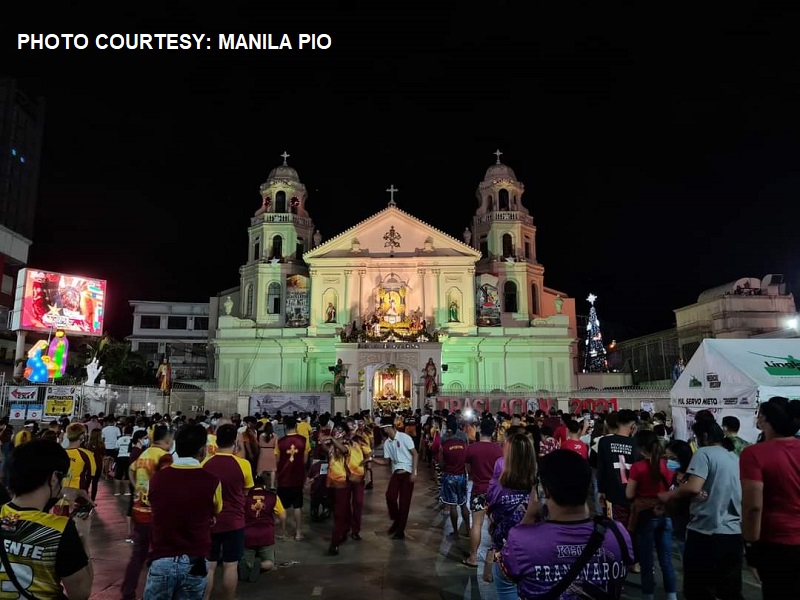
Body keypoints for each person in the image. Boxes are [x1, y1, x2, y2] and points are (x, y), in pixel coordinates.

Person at [499, 450, 634, 599]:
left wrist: (529, 516)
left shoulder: (521, 541)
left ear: (546, 491)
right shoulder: (617, 534)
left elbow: (507, 571)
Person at [659, 418, 742, 599]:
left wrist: (670, 495)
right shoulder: (733, 456)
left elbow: (694, 487)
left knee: (699, 590)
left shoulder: (704, 454)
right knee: (729, 591)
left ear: (703, 436)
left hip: (705, 532)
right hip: (733, 533)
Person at [1, 439, 92, 599]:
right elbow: (80, 593)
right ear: (54, 478)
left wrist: (64, 491)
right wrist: (83, 538)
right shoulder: (60, 530)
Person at [144, 424, 223, 600]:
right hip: (195, 559)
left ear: (176, 448)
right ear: (203, 451)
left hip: (162, 558)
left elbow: (154, 505)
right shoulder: (212, 481)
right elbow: (217, 510)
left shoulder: (157, 479)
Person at [740, 396, 800, 598]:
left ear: (765, 419)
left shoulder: (754, 454)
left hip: (777, 544)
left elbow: (752, 507)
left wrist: (751, 545)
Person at [121, 424, 175, 600]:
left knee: (138, 555)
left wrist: (138, 487)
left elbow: (131, 470)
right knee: (160, 556)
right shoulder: (164, 457)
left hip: (138, 510)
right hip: (156, 513)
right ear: (167, 440)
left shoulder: (144, 454)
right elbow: (167, 482)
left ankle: (127, 592)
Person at [202, 423, 255, 600]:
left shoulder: (205, 464)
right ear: (235, 443)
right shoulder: (243, 465)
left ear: (216, 442)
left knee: (209, 565)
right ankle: (229, 597)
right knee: (230, 565)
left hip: (210, 522)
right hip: (235, 521)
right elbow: (246, 492)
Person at [625, 430, 677, 600]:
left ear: (640, 448)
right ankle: (672, 596)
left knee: (647, 563)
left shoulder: (638, 467)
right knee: (667, 561)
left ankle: (649, 596)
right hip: (665, 513)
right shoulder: (670, 465)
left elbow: (629, 494)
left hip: (645, 516)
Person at [484, 433, 536, 600]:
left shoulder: (498, 487)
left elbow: (491, 514)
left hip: (506, 552)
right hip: (536, 552)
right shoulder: (541, 489)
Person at [463, 418, 503, 568]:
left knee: (477, 524)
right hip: (495, 491)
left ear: (479, 430)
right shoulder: (498, 449)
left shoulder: (472, 448)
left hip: (478, 489)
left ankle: (473, 557)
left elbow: (467, 469)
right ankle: (494, 555)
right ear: (493, 431)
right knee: (495, 524)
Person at [371, 416, 418, 540]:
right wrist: (371, 459)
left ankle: (400, 530)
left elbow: (415, 454)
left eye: (384, 428)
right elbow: (386, 462)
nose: (384, 431)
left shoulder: (405, 438)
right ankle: (397, 520)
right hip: (396, 473)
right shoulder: (387, 443)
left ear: (388, 427)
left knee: (404, 503)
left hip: (407, 472)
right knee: (390, 496)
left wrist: (414, 472)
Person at [238, 474, 286, 582]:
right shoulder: (273, 496)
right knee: (270, 562)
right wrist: (274, 523)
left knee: (246, 560)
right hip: (266, 533)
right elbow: (282, 516)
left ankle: (248, 565)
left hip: (248, 534)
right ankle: (260, 565)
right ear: (264, 485)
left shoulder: (244, 497)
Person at [274, 416, 309, 541]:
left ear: (284, 427)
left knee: (282, 507)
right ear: (296, 426)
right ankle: (298, 533)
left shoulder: (280, 442)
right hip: (298, 477)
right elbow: (305, 460)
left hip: (283, 477)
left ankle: (283, 532)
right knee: (297, 506)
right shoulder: (304, 440)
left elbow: (277, 461)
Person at [439, 419, 471, 542]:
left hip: (449, 476)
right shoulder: (464, 444)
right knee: (463, 505)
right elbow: (468, 461)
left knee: (452, 507)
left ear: (448, 431)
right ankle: (468, 530)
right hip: (461, 476)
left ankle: (456, 532)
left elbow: (441, 464)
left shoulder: (444, 445)